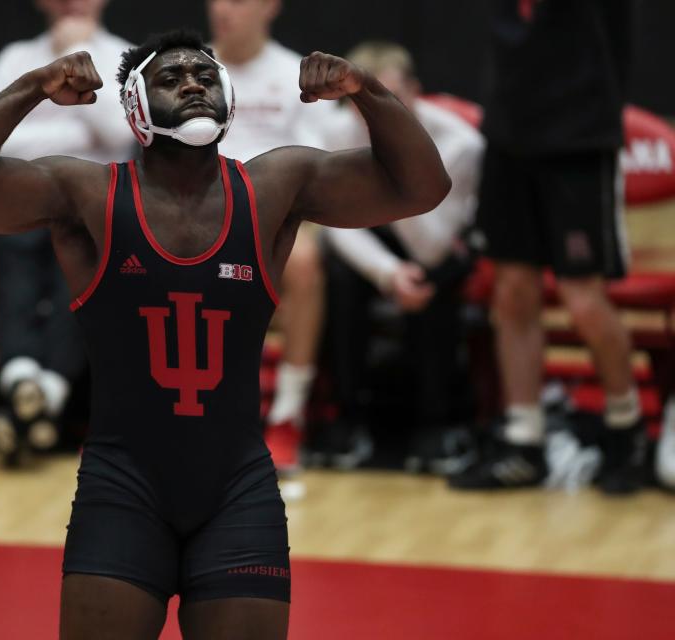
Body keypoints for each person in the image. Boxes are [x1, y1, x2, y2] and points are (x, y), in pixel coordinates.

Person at [0, 29, 449, 638]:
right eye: (171, 78)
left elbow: (422, 188)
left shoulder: (277, 185)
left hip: (238, 491)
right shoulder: (85, 192)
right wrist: (31, 86)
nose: (194, 83)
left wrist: (367, 90)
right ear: (137, 107)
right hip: (122, 491)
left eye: (205, 76)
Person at [449, 0, 644, 494]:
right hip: (510, 135)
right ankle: (524, 440)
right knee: (512, 291)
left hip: (579, 140)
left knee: (583, 298)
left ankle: (627, 429)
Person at [0, 0, 134, 464]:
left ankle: (28, 398)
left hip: (95, 204)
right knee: (12, 258)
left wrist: (78, 54)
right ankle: (38, 394)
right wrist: (79, 139)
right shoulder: (13, 57)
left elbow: (122, 132)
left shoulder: (129, 57)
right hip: (22, 198)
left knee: (83, 267)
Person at [321, 41, 485, 473]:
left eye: (387, 98)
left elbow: (431, 247)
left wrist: (393, 159)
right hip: (370, 241)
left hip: (433, 245)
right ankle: (347, 417)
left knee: (436, 279)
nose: (374, 112)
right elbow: (336, 227)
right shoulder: (334, 134)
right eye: (363, 102)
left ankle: (436, 422)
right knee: (337, 274)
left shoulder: (460, 144)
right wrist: (387, 272)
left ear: (414, 91)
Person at [208, 0, 350, 473]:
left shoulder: (295, 75)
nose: (223, 9)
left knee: (305, 262)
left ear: (269, 8)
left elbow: (316, 164)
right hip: (196, 212)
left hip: (276, 215)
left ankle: (288, 416)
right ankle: (150, 418)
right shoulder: (190, 67)